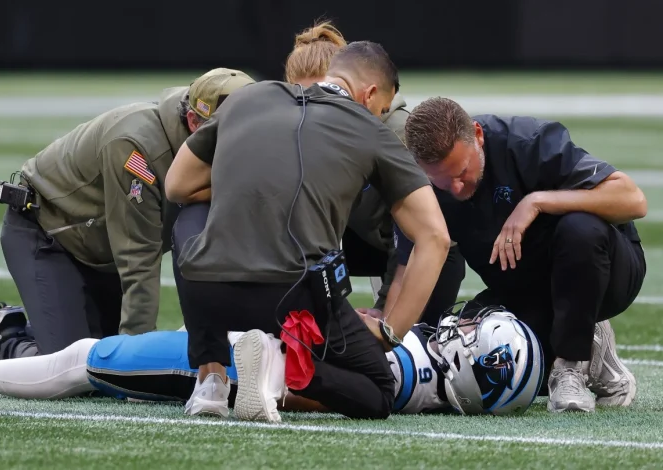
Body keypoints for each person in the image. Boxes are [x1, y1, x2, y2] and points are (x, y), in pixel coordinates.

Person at [165, 41, 452, 422]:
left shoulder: (249, 97)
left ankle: (211, 379)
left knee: (189, 217)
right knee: (379, 392)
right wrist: (391, 331)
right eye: (383, 109)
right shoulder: (369, 128)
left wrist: (251, 183)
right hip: (293, 302)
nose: (381, 116)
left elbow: (176, 186)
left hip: (210, 294)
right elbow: (436, 236)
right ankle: (279, 367)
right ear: (368, 95)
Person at [0, 69, 255, 362]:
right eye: (226, 132)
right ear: (193, 121)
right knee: (75, 368)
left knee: (101, 353)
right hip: (49, 235)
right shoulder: (137, 149)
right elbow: (138, 256)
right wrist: (137, 359)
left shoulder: (208, 143)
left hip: (101, 250)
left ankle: (40, 327)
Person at [397, 96, 647, 413]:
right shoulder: (419, 186)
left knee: (580, 228)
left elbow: (633, 200)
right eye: (442, 181)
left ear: (478, 135)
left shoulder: (527, 143)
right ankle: (593, 348)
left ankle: (571, 364)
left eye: (461, 172)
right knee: (477, 358)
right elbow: (418, 263)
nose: (456, 188)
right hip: (523, 288)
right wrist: (397, 335)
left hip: (606, 271)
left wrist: (537, 202)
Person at [0, 304, 543, 417]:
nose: (462, 327)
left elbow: (305, 376)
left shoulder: (398, 380)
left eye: (473, 333)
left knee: (89, 359)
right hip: (256, 349)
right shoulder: (420, 379)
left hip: (233, 360)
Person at [281, 20, 466, 322]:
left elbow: (419, 236)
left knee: (413, 348)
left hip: (409, 245)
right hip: (358, 236)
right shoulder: (294, 126)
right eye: (303, 98)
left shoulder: (394, 134)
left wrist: (384, 311)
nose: (314, 107)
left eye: (323, 93)